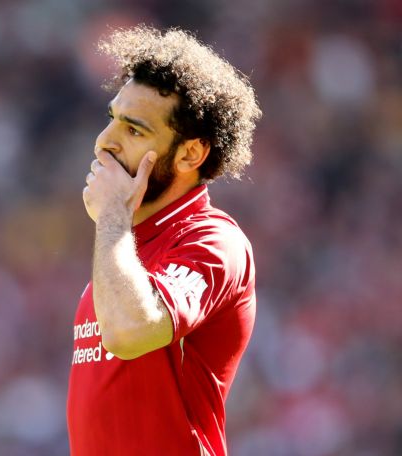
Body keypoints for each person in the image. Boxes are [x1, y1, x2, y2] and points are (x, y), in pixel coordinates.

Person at [67, 26, 262, 455]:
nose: (104, 142)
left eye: (134, 131)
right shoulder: (124, 248)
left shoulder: (214, 241)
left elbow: (130, 330)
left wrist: (113, 215)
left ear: (190, 154)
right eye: (112, 118)